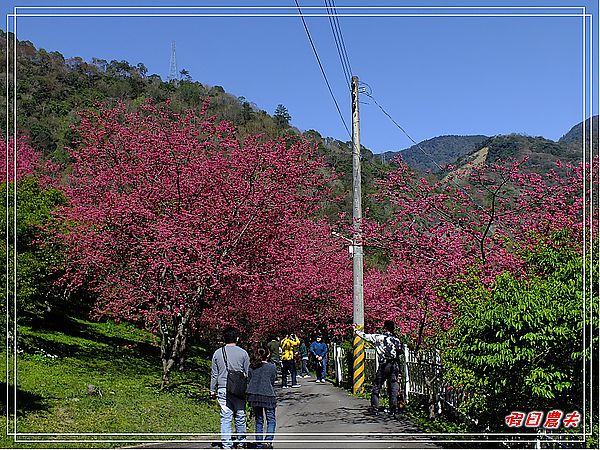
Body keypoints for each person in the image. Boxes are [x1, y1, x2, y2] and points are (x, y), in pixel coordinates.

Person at [210, 327, 250, 449]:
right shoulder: (243, 353)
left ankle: (226, 443)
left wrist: (212, 389)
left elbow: (214, 374)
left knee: (225, 417)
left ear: (224, 338)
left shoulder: (217, 353)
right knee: (240, 415)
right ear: (237, 338)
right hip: (238, 389)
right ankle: (241, 441)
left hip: (222, 388)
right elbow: (247, 374)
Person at [354, 320, 403, 417]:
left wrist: (356, 330)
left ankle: (374, 408)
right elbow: (400, 351)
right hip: (393, 364)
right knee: (393, 387)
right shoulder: (396, 340)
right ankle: (393, 409)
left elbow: (365, 336)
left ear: (385, 328)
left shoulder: (378, 337)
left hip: (383, 364)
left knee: (377, 386)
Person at [247, 347, 277, 449]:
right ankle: (268, 441)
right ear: (268, 355)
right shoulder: (272, 367)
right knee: (271, 419)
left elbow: (249, 379)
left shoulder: (252, 366)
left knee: (258, 420)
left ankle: (258, 443)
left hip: (254, 395)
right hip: (268, 394)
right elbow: (273, 380)